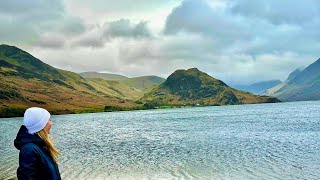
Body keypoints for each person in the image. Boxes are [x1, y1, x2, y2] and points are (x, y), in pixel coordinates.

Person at [14, 107, 61, 180]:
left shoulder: (41, 147)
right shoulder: (29, 150)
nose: (51, 123)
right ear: (41, 125)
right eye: (48, 120)